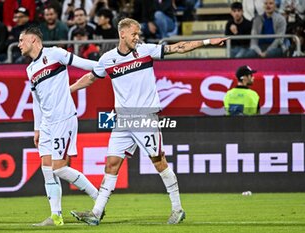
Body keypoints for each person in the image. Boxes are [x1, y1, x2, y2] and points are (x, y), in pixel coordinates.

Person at [69, 18, 228, 225]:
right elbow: (91, 78)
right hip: (122, 120)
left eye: (138, 33)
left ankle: (177, 209)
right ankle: (96, 213)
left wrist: (207, 42)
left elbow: (178, 48)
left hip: (145, 116)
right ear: (122, 34)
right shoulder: (108, 59)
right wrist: (69, 90)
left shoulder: (145, 51)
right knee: (111, 164)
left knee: (158, 161)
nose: (137, 37)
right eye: (134, 33)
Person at [17, 26, 99, 226]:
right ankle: (56, 216)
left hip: (63, 118)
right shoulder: (30, 69)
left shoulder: (55, 53)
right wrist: (37, 128)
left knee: (60, 168)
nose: (19, 44)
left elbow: (84, 63)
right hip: (46, 124)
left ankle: (99, 199)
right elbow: (36, 101)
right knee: (47, 169)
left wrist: (105, 66)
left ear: (34, 40)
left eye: (21, 40)